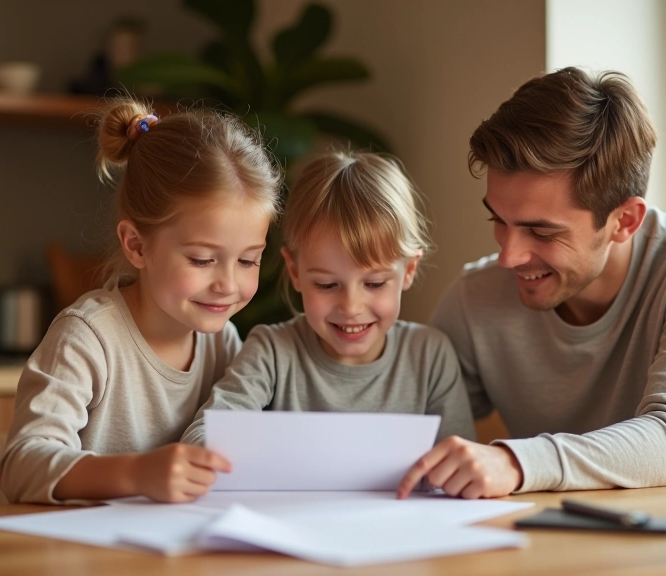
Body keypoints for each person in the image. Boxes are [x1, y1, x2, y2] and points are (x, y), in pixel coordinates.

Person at [397, 67, 666, 499]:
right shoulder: (476, 298)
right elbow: (407, 414)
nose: (509, 256)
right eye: (498, 220)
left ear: (624, 221)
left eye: (542, 232)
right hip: (564, 546)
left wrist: (515, 463)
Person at [0, 100, 282, 504]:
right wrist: (136, 472)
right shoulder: (87, 338)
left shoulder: (225, 344)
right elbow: (21, 466)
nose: (228, 284)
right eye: (202, 260)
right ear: (136, 245)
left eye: (248, 260)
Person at [181, 151, 474, 448]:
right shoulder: (272, 352)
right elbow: (205, 434)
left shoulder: (431, 356)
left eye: (374, 283)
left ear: (409, 270)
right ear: (294, 271)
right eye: (327, 284)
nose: (351, 307)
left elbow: (461, 459)